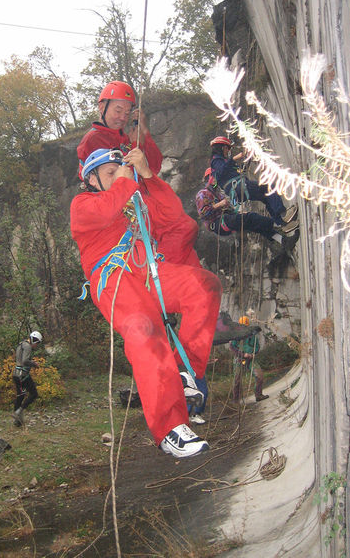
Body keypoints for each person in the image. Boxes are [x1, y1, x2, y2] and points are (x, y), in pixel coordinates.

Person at [71, 146, 223, 457]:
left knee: (204, 286)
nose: (119, 176)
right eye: (110, 173)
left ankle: (185, 373)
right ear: (91, 179)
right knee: (145, 330)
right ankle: (170, 428)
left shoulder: (133, 201)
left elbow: (172, 216)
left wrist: (148, 175)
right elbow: (104, 212)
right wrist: (126, 181)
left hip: (148, 271)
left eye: (120, 170)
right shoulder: (82, 204)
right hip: (115, 279)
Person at [77, 80, 201, 268]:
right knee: (183, 229)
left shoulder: (124, 139)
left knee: (187, 246)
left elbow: (154, 166)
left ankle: (166, 276)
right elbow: (112, 178)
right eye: (118, 110)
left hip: (140, 201)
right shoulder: (94, 139)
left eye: (127, 113)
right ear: (102, 107)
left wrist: (143, 136)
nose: (122, 117)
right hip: (125, 207)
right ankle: (159, 273)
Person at [196, 168, 300, 252]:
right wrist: (220, 204)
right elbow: (203, 214)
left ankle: (284, 242)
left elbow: (228, 204)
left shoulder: (219, 193)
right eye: (215, 176)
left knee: (255, 225)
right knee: (251, 218)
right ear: (209, 178)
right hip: (218, 223)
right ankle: (280, 224)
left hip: (226, 219)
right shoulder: (203, 194)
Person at [209, 136, 298, 227]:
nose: (228, 151)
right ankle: (283, 213)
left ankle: (281, 223)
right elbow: (220, 172)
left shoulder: (221, 160)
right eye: (227, 148)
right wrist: (234, 159)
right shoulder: (216, 161)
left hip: (238, 188)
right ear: (222, 147)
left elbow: (227, 173)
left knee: (266, 197)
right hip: (238, 187)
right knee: (269, 187)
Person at [229, 316, 269, 403]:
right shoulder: (236, 335)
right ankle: (235, 400)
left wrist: (254, 353)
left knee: (259, 375)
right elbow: (232, 348)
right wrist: (243, 354)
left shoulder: (253, 335)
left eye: (246, 326)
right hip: (239, 359)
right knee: (237, 379)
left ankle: (258, 395)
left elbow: (257, 346)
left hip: (251, 359)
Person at [12, 331, 43, 426]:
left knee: (20, 396)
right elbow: (25, 361)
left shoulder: (21, 344)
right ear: (34, 340)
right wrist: (34, 364)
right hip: (23, 375)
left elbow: (19, 359)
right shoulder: (28, 346)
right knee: (34, 394)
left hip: (16, 374)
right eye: (37, 343)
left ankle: (17, 422)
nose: (36, 346)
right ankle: (19, 411)